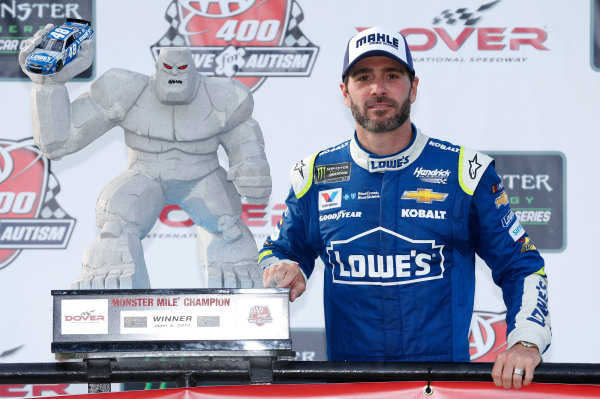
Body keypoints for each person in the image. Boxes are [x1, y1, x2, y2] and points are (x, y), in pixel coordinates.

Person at [259, 26, 550, 390]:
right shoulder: (315, 175)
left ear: (413, 87)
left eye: (392, 76)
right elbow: (279, 252)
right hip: (350, 387)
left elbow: (521, 265)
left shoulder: (465, 172)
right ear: (345, 94)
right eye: (363, 77)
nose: (377, 88)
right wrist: (280, 270)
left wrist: (525, 342)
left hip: (441, 387)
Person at [19, 25, 271, 290]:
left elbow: (244, 141)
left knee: (229, 235)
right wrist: (49, 85)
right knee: (115, 233)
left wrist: (251, 167)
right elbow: (58, 144)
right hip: (145, 175)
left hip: (203, 177)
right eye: (169, 68)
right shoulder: (127, 91)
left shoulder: (223, 98)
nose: (175, 75)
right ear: (157, 68)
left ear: (194, 71)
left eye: (182, 69)